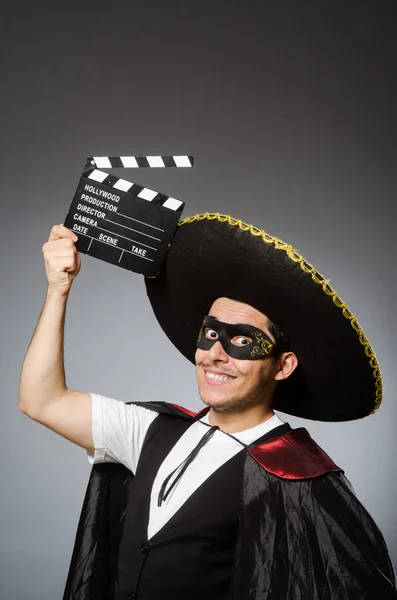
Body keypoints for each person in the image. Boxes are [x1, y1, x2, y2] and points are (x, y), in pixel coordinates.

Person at [19, 216, 397, 600]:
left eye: (243, 341)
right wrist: (58, 289)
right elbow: (41, 400)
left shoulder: (298, 474)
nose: (216, 354)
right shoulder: (149, 429)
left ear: (282, 365)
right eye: (211, 333)